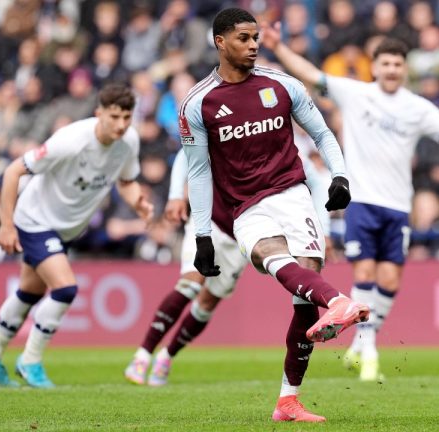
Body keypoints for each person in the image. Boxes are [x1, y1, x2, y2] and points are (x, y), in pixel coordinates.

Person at [260, 23, 439, 381]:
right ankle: (369, 352)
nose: (392, 70)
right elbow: (310, 74)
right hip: (362, 201)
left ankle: (361, 345)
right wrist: (278, 47)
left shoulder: (417, 108)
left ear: (404, 68)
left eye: (398, 64)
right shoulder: (355, 94)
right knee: (365, 273)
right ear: (375, 66)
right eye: (386, 63)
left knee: (391, 280)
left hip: (398, 205)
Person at [180, 8, 369, 423]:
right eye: (244, 39)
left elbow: (322, 133)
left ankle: (288, 401)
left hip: (294, 195)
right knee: (270, 255)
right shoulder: (198, 103)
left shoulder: (282, 85)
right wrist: (202, 236)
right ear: (220, 42)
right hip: (244, 207)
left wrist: (340, 177)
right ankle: (339, 301)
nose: (253, 46)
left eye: (256, 38)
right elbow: (197, 171)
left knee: (304, 298)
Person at [0, 83, 154, 388]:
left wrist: (138, 200)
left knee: (29, 292)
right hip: (35, 220)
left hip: (66, 228)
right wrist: (6, 225)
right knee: (66, 289)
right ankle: (30, 360)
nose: (122, 124)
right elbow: (13, 171)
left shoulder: (129, 141)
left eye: (127, 117)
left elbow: (126, 180)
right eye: (115, 117)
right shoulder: (70, 141)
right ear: (99, 114)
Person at [124, 148, 332, 387]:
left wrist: (322, 229)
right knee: (190, 284)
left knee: (206, 304)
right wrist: (175, 195)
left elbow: (315, 181)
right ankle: (142, 355)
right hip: (207, 223)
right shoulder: (229, 125)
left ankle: (167, 355)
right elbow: (186, 154)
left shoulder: (281, 144)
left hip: (241, 236)